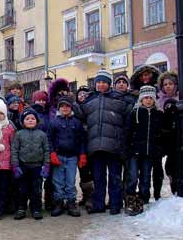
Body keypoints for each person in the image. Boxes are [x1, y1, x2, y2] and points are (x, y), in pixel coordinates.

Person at [75, 68, 131, 215]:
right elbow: (81, 116)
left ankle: (115, 204)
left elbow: (127, 118)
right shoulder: (89, 100)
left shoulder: (119, 98)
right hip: (95, 146)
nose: (101, 85)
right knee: (98, 178)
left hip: (113, 146)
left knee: (114, 177)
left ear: (109, 84)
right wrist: (75, 104)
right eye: (98, 82)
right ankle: (98, 204)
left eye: (104, 82)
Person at [125, 86, 163, 215]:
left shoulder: (158, 114)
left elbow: (160, 134)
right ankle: (130, 199)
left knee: (146, 177)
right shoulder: (135, 112)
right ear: (141, 99)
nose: (148, 100)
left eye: (150, 98)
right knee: (133, 176)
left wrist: (157, 148)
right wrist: (129, 147)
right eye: (146, 98)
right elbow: (128, 132)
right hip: (135, 151)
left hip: (149, 152)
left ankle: (143, 199)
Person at [48, 96, 87, 217]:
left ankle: (71, 202)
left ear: (71, 108)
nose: (65, 108)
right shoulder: (54, 122)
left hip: (72, 157)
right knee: (58, 181)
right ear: (59, 108)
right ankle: (58, 202)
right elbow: (49, 139)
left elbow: (82, 140)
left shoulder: (77, 122)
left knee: (70, 181)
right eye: (62, 106)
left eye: (67, 106)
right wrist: (52, 152)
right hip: (58, 156)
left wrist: (82, 154)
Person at [11, 108, 50, 220]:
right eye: (27, 119)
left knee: (36, 189)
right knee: (22, 189)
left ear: (37, 121)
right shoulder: (18, 134)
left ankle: (36, 209)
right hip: (23, 166)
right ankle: (21, 208)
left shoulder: (42, 134)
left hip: (37, 166)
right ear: (23, 121)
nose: (30, 120)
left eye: (33, 118)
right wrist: (15, 166)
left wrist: (46, 165)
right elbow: (15, 150)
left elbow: (46, 150)